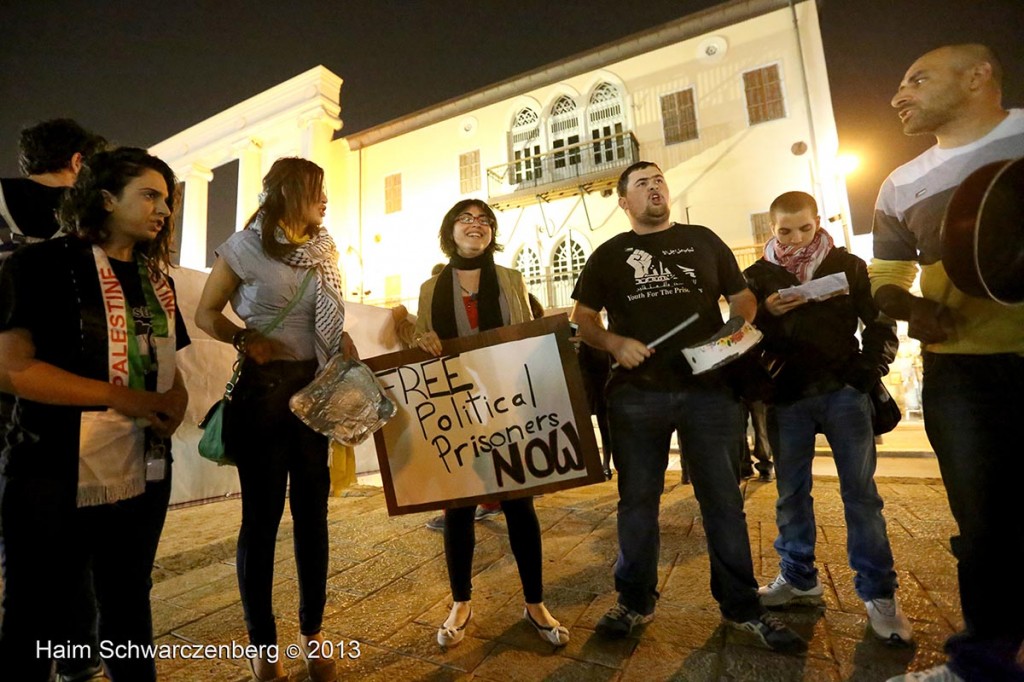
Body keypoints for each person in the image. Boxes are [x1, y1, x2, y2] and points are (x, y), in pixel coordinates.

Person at [570, 161, 805, 653]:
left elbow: (742, 299)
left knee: (723, 502)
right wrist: (615, 343)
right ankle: (633, 602)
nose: (655, 187)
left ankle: (742, 607)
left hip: (710, 392)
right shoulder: (608, 255)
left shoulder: (703, 239)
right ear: (623, 202)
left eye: (659, 180)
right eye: (642, 183)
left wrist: (732, 331)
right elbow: (583, 320)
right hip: (636, 395)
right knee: (637, 504)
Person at [0, 147, 189, 681]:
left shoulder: (160, 284)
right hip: (49, 470)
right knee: (34, 618)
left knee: (129, 602)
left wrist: (175, 401)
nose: (163, 210)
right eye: (149, 195)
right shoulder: (40, 266)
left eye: (168, 200)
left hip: (143, 470)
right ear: (105, 198)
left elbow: (173, 366)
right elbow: (11, 369)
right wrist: (122, 397)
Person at [869, 44, 1024, 682]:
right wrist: (907, 308)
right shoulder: (900, 183)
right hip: (959, 369)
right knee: (982, 525)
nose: (899, 94)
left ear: (977, 76)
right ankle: (983, 664)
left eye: (917, 78)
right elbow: (884, 275)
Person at [195, 157, 352, 682]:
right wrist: (243, 337)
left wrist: (340, 343)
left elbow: (328, 319)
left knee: (314, 518)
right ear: (287, 192)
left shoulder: (325, 250)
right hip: (262, 398)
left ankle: (313, 635)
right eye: (316, 190)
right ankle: (263, 646)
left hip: (315, 393)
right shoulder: (242, 248)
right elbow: (206, 314)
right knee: (260, 523)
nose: (324, 200)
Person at [743, 191, 910, 645]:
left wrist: (868, 369)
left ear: (817, 222)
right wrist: (770, 316)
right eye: (784, 231)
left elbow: (879, 323)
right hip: (787, 397)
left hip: (843, 393)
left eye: (804, 228)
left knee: (861, 495)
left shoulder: (848, 265)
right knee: (790, 493)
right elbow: (744, 338)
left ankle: (879, 592)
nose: (795, 239)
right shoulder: (757, 277)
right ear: (771, 230)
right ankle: (799, 577)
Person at [412, 199, 569, 649]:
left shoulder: (512, 280)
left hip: (509, 401)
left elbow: (525, 333)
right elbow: (423, 336)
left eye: (484, 220)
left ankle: (535, 602)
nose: (476, 225)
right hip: (457, 406)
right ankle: (461, 601)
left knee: (520, 504)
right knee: (458, 507)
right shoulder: (430, 287)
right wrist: (420, 337)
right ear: (451, 231)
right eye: (466, 218)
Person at [0, 118, 109, 682]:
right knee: (78, 530)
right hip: (79, 391)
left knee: (21, 539)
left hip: (9, 385)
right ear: (77, 162)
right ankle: (77, 650)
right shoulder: (95, 220)